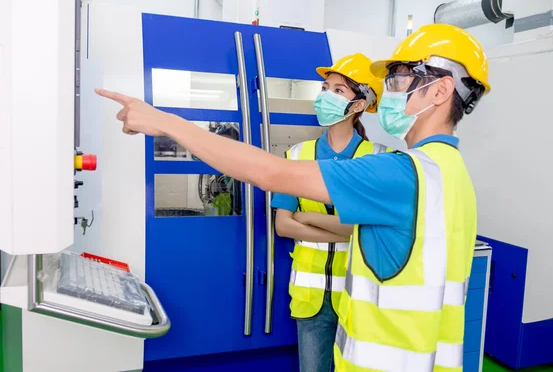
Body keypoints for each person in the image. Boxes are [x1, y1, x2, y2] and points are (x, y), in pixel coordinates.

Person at [96, 23, 490, 372]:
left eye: (400, 77)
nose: (389, 91)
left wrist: (165, 122)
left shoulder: (399, 172)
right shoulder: (450, 172)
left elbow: (270, 173)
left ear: (440, 90)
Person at [272, 53, 388, 372]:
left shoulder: (377, 159)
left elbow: (370, 227)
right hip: (312, 300)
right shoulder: (298, 155)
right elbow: (283, 225)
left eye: (338, 91)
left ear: (359, 105)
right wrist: (344, 226)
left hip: (360, 295)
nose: (325, 96)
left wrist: (307, 217)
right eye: (325, 88)